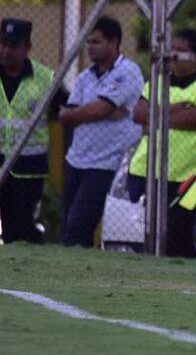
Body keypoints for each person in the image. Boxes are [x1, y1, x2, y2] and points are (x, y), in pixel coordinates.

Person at [127, 29, 196, 258]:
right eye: (171, 50)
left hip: (194, 174)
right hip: (149, 168)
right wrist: (178, 109)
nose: (173, 55)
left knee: (176, 227)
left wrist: (157, 118)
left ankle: (184, 271)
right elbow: (138, 114)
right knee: (152, 228)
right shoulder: (158, 80)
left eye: (181, 51)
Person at [60, 16, 144, 248]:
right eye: (88, 42)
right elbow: (66, 115)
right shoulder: (86, 77)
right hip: (76, 160)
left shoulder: (128, 72)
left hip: (106, 164)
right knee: (70, 223)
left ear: (114, 42)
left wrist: (99, 110)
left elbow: (100, 108)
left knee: (78, 227)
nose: (90, 47)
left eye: (96, 42)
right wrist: (102, 110)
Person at [0, 19, 59, 243]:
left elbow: (64, 112)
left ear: (27, 47)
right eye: (2, 44)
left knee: (19, 233)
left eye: (13, 45)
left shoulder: (45, 78)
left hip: (26, 169)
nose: (6, 51)